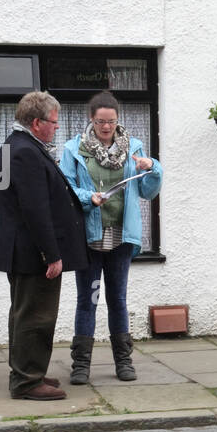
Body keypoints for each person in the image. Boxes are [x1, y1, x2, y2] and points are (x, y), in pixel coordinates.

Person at [60, 91, 162, 383]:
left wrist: (152, 167)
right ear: (91, 120)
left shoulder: (134, 148)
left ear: (118, 121)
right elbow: (65, 187)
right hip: (90, 237)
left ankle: (124, 362)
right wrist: (86, 197)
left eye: (112, 122)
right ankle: (81, 365)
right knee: (87, 299)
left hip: (120, 237)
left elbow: (148, 191)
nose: (107, 127)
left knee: (117, 298)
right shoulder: (74, 149)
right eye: (101, 121)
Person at [0, 91, 88, 400]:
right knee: (36, 316)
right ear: (36, 122)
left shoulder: (17, 147)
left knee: (25, 313)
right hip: (33, 253)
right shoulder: (24, 152)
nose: (57, 127)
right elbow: (34, 209)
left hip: (23, 249)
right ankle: (26, 382)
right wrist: (52, 254)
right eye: (54, 122)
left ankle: (28, 371)